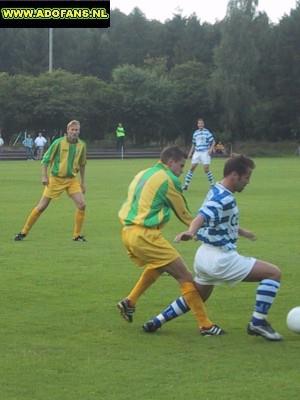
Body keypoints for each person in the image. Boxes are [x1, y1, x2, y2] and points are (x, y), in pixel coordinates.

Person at [143, 154, 283, 341]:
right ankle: (258, 322)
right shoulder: (223, 198)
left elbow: (217, 219)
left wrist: (241, 231)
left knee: (197, 296)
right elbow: (201, 216)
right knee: (273, 273)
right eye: (247, 177)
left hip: (204, 256)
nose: (248, 182)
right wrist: (191, 232)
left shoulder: (216, 189)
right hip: (221, 259)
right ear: (234, 175)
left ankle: (157, 320)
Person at [117, 145, 224, 336]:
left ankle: (130, 301)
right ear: (171, 162)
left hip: (127, 232)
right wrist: (209, 229)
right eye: (181, 166)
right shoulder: (168, 179)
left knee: (160, 265)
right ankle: (205, 325)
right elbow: (183, 213)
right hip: (145, 234)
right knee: (185, 276)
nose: (182, 170)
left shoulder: (144, 172)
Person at [14, 120, 87, 242]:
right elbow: (46, 159)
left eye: (76, 130)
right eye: (72, 130)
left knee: (82, 205)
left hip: (72, 180)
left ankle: (77, 235)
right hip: (56, 179)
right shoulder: (58, 143)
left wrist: (83, 182)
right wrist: (44, 176)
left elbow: (83, 163)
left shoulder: (82, 145)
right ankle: (23, 232)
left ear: (79, 131)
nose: (74, 132)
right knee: (42, 207)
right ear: (67, 130)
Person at [182, 118, 215, 190]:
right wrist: (190, 153)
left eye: (201, 123)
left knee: (206, 169)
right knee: (192, 168)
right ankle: (186, 185)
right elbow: (193, 144)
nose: (200, 124)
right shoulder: (195, 133)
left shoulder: (207, 132)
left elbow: (213, 141)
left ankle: (212, 184)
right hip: (197, 152)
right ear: (197, 125)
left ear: (203, 124)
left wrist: (210, 149)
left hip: (205, 152)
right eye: (199, 123)